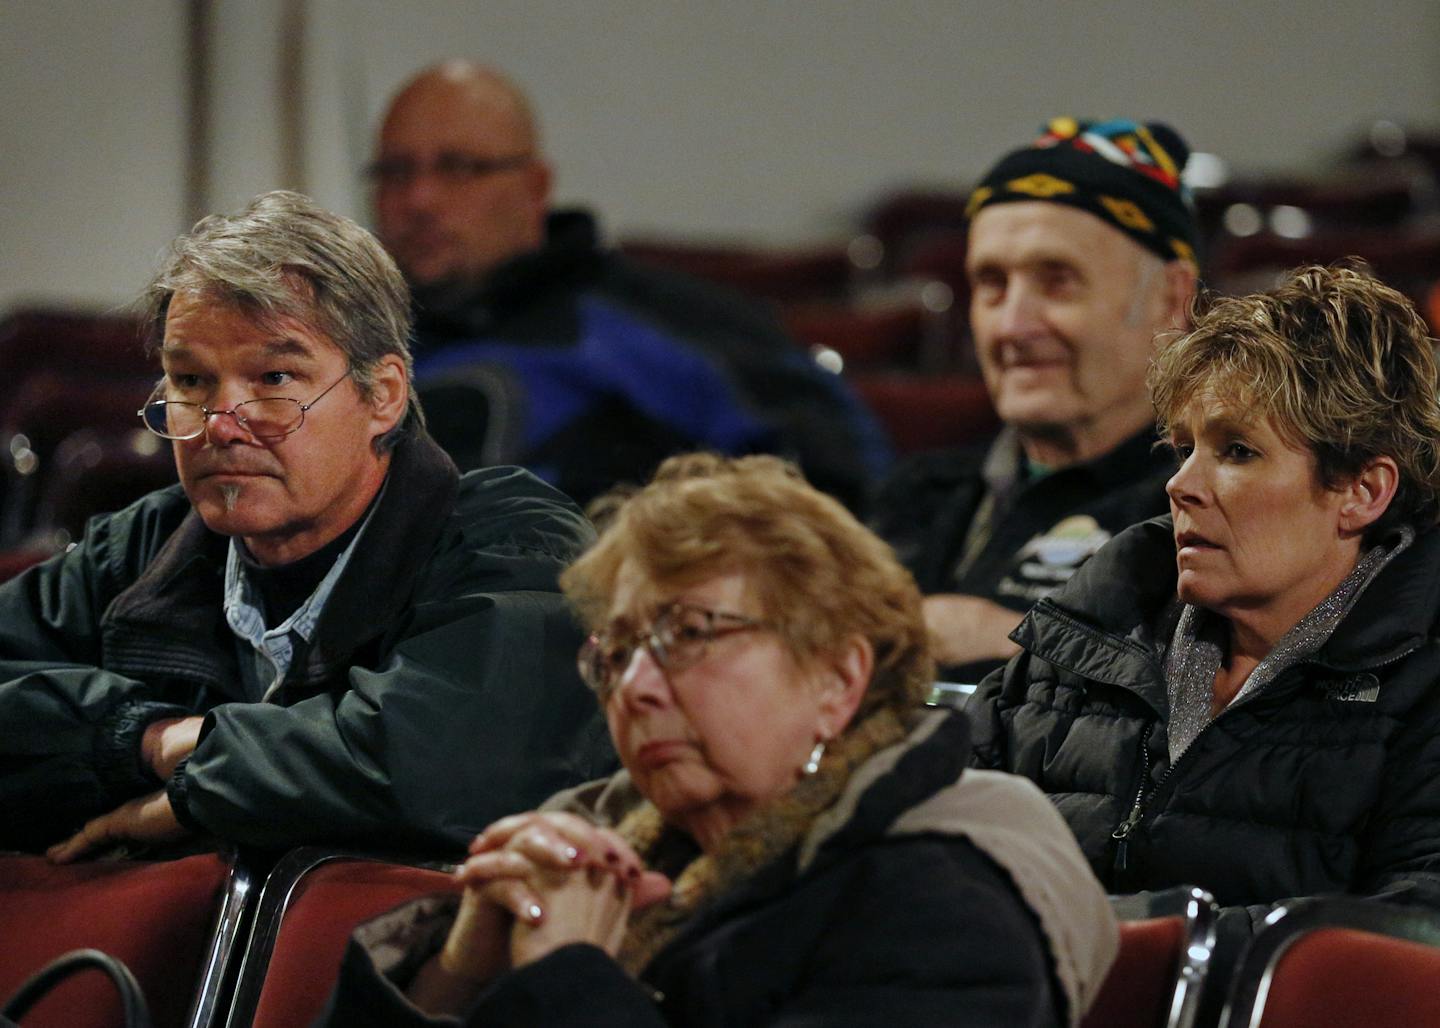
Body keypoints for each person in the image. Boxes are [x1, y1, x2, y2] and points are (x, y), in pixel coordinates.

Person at [320, 454, 1118, 1027]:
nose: (635, 687)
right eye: (619, 651)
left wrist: (572, 983)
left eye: (691, 633)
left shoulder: (944, 906)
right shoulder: (594, 846)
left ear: (838, 680)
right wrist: (457, 972)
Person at [0, 190, 613, 859]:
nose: (221, 424)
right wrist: (140, 737)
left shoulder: (514, 541)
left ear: (383, 395)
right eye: (190, 381)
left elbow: (432, 771)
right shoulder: (144, 549)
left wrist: (186, 759)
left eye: (274, 376)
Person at [968, 263, 1440, 980]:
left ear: (1362, 492)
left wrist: (1126, 956)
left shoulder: (1424, 687)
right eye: (1185, 447)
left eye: (1238, 451)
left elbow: (1398, 955)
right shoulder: (1085, 634)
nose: (1181, 485)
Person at [370, 60, 891, 510]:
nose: (419, 200)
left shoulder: (659, 322)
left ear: (536, 189)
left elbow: (840, 473)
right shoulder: (342, 345)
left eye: (457, 168)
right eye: (395, 172)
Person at [873, 118, 1199, 683]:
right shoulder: (920, 497)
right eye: (992, 284)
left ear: (1171, 299)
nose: (1013, 326)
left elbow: (1234, 706)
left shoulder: (1214, 505)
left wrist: (1013, 644)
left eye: (1057, 282)